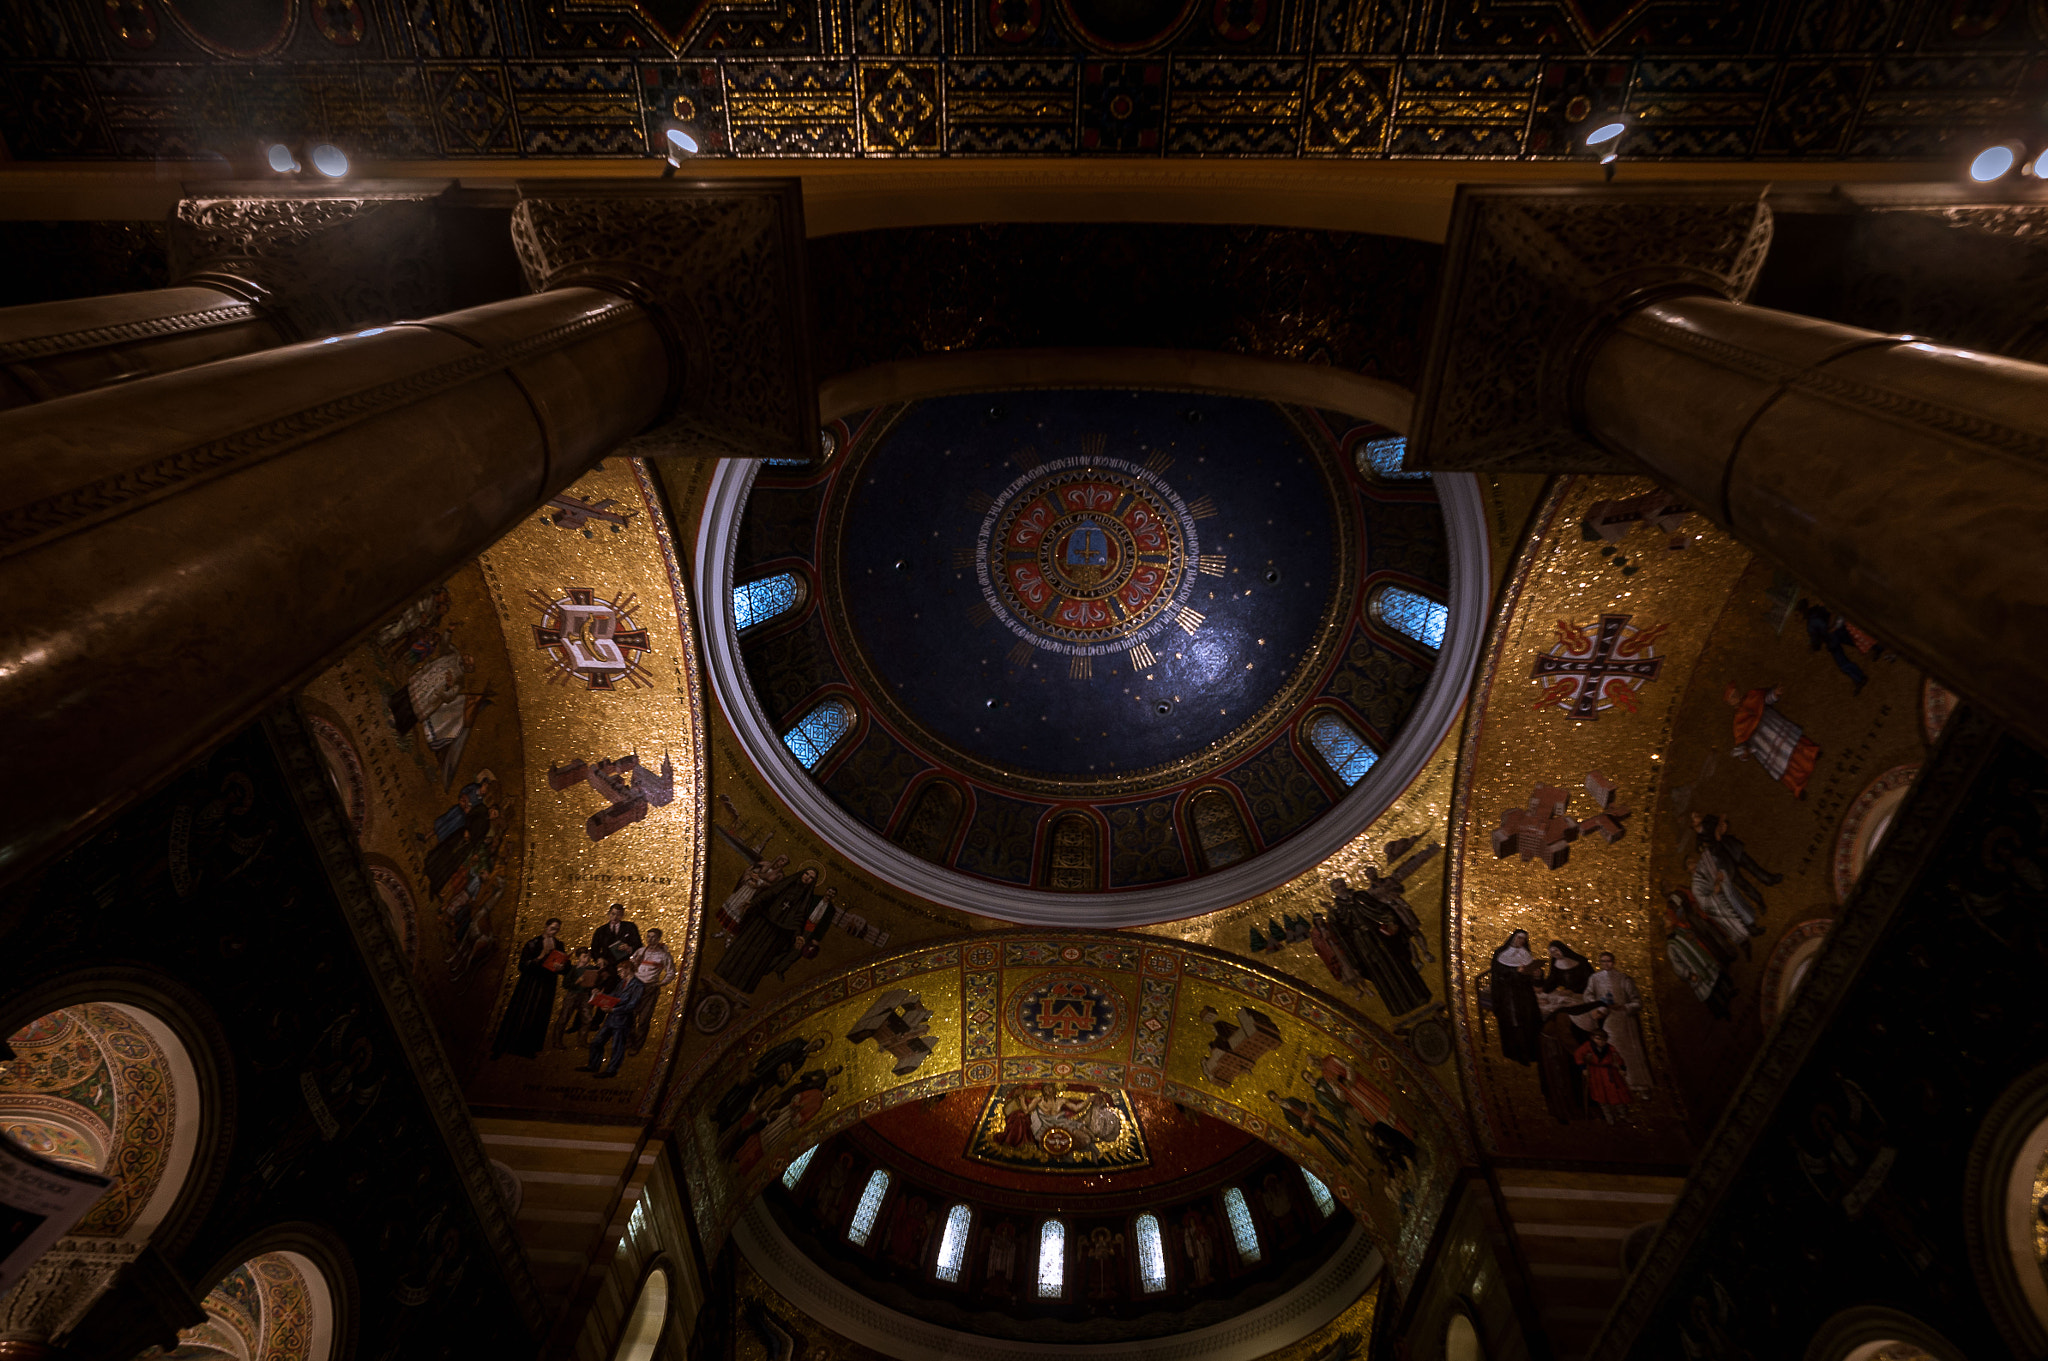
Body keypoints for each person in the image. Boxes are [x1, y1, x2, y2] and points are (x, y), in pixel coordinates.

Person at [715, 867, 820, 994]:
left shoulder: (806, 897)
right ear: (802, 873)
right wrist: (753, 903)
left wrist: (798, 935)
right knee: (744, 947)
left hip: (776, 933)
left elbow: (800, 917)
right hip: (762, 922)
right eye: (806, 874)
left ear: (812, 881)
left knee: (758, 959)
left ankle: (742, 986)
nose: (807, 877)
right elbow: (770, 893)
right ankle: (724, 971)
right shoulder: (787, 883)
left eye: (811, 877)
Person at [491, 918, 565, 1059]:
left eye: (557, 929)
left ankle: (529, 1048)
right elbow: (523, 965)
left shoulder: (559, 945)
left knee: (539, 1015)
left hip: (546, 985)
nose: (554, 931)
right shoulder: (533, 943)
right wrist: (541, 956)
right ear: (546, 927)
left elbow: (564, 965)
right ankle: (504, 1046)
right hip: (530, 984)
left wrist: (561, 967)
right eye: (552, 928)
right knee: (520, 1012)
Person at [1727, 684, 1820, 797]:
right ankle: (1797, 786)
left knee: (1793, 745)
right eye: (1732, 697)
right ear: (1730, 703)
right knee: (1782, 763)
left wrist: (1774, 694)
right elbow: (1742, 744)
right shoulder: (1737, 722)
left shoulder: (1752, 697)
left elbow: (1765, 699)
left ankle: (1811, 756)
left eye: (1736, 693)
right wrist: (1744, 754)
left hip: (1776, 727)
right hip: (1765, 744)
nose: (1736, 697)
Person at [1587, 951, 1651, 1099]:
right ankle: (1617, 1086)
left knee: (1630, 1054)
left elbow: (1637, 1002)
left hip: (1625, 1022)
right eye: (1603, 961)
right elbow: (1588, 994)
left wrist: (1623, 1007)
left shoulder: (1623, 979)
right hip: (1607, 1021)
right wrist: (1599, 1005)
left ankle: (1638, 1085)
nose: (1606, 964)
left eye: (1608, 961)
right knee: (1611, 1052)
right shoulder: (1595, 978)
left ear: (1613, 962)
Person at [577, 968, 645, 1078]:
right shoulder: (622, 983)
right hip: (611, 1018)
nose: (619, 974)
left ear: (628, 970)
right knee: (597, 1042)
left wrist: (613, 1010)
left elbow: (632, 1005)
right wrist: (600, 995)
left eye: (620, 971)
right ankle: (593, 1065)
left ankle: (611, 1070)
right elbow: (613, 996)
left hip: (623, 1020)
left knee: (617, 1046)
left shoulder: (638, 985)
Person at [1488, 930, 1544, 1064]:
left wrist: (1537, 975)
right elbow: (1498, 975)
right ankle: (1518, 1054)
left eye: (1524, 939)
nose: (1521, 941)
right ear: (1513, 938)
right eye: (1519, 938)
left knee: (1530, 1020)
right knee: (1514, 1023)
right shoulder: (1501, 953)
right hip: (1508, 995)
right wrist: (1515, 972)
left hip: (1525, 994)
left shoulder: (1525, 954)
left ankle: (1532, 1053)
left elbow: (1533, 980)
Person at [625, 927, 677, 1054]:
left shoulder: (663, 955)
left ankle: (637, 1046)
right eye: (648, 936)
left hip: (650, 988)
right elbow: (629, 966)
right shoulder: (641, 951)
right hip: (635, 986)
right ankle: (629, 1042)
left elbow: (671, 972)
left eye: (653, 937)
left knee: (643, 1019)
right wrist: (633, 966)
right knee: (630, 1015)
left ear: (658, 939)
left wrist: (661, 983)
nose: (650, 939)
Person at [1575, 1027, 1631, 1124]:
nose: (1601, 1042)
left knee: (1617, 1094)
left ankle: (1623, 1115)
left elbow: (1617, 1058)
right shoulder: (1587, 1046)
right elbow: (1578, 1055)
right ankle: (1609, 1118)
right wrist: (1583, 1068)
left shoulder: (1610, 1048)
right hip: (1596, 1074)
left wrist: (1621, 1068)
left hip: (1610, 1074)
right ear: (1593, 1038)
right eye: (1598, 1039)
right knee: (1601, 1096)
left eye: (1603, 1039)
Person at [553, 948, 602, 1049]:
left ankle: (582, 1041)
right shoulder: (573, 969)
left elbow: (596, 981)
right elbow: (566, 984)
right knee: (564, 1018)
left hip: (584, 995)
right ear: (579, 957)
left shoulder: (592, 969)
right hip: (572, 995)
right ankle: (557, 1041)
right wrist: (577, 982)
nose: (587, 958)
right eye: (584, 956)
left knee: (587, 1019)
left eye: (588, 956)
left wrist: (595, 989)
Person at [591, 902, 642, 968]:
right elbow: (594, 948)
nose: (615, 917)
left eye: (618, 915)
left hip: (625, 964)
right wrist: (598, 958)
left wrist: (629, 948)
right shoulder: (601, 930)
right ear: (609, 913)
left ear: (622, 915)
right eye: (613, 914)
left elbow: (638, 944)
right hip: (607, 965)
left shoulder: (630, 927)